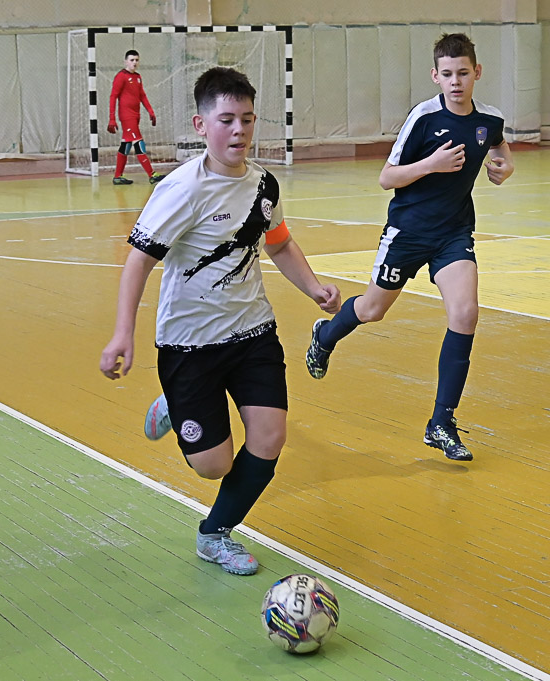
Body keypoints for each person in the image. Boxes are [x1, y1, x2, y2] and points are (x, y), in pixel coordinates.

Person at [99, 67, 341, 575]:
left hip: (253, 334)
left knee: (270, 438)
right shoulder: (181, 190)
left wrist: (314, 287)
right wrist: (123, 333)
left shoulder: (264, 184)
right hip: (189, 346)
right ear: (201, 125)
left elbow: (278, 242)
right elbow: (138, 262)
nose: (239, 130)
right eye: (227, 119)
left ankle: (215, 534)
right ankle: (175, 400)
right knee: (214, 465)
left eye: (247, 119)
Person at [304, 33, 513, 462]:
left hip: (453, 233)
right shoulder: (424, 118)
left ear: (477, 72)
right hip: (408, 232)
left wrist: (505, 165)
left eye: (463, 73)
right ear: (435, 75)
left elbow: (497, 144)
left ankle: (441, 422)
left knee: (465, 313)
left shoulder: (489, 119)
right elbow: (387, 178)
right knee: (372, 310)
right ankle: (325, 335)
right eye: (447, 74)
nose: (456, 82)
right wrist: (431, 165)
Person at [108, 49, 167, 185]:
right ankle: (152, 174)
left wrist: (150, 111)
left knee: (126, 144)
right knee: (139, 143)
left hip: (136, 116)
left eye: (136, 60)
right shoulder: (121, 76)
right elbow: (113, 96)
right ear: (125, 62)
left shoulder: (138, 77)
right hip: (127, 116)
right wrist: (112, 118)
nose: (134, 63)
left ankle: (117, 176)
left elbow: (142, 95)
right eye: (131, 60)